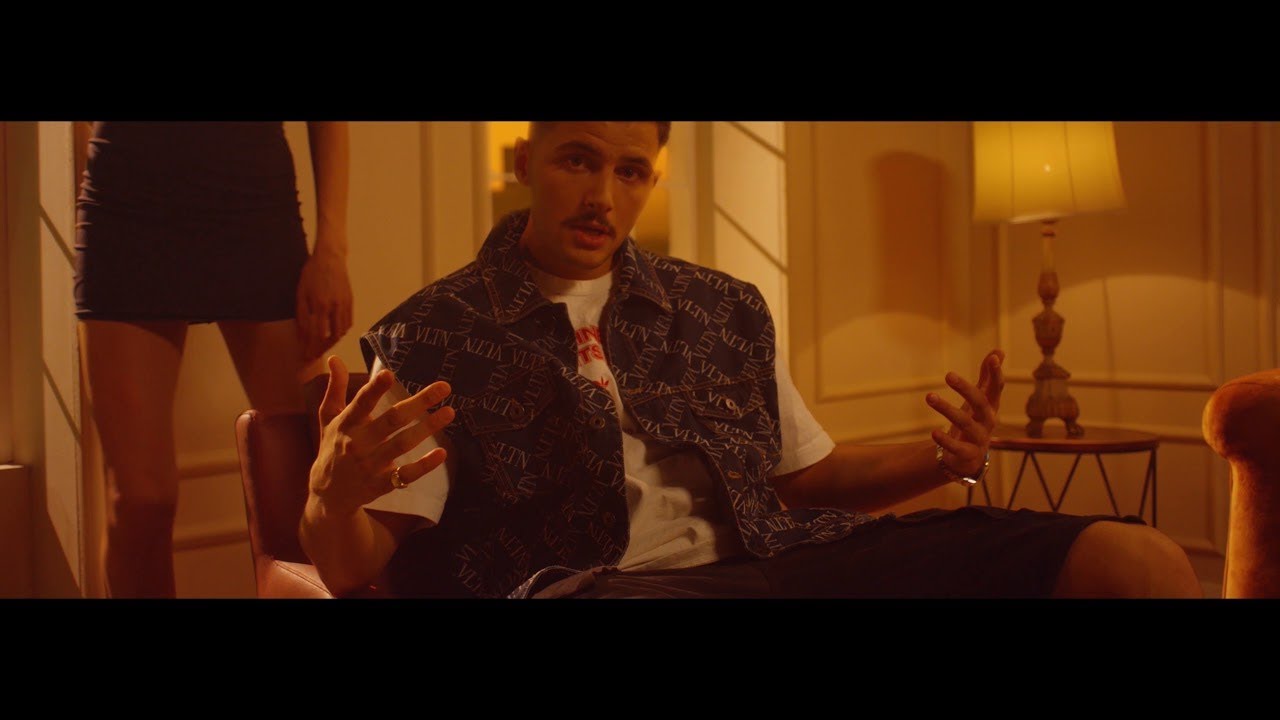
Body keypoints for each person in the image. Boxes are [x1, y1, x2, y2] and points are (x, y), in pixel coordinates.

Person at [299, 121, 1201, 599]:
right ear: (529, 159)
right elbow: (353, 565)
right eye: (578, 161)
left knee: (1134, 562)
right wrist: (327, 502)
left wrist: (942, 461)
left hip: (791, 562)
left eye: (631, 171)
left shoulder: (722, 308)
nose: (604, 195)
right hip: (609, 589)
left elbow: (808, 480)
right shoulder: (433, 333)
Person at [75, 121, 353, 598]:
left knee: (304, 478)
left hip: (254, 207)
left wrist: (332, 249)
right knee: (139, 500)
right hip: (124, 207)